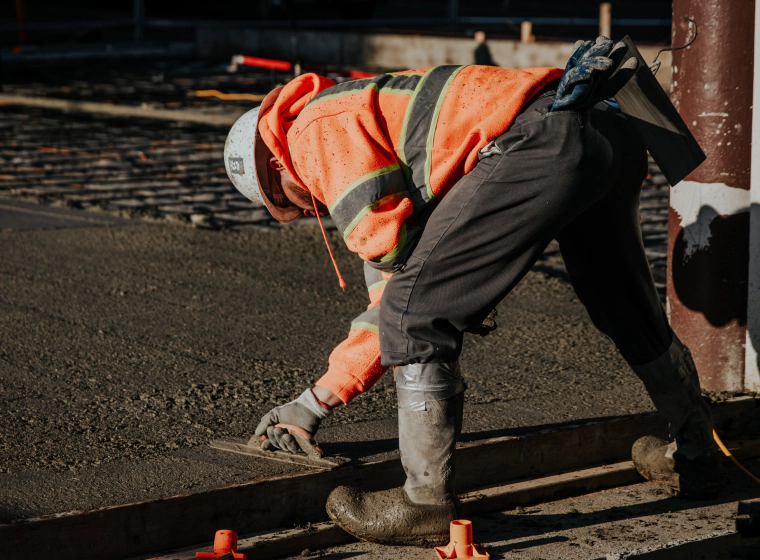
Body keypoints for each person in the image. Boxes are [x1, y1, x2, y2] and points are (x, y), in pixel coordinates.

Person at [223, 37, 721, 547]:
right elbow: (401, 272)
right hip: (604, 129)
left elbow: (399, 297)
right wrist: (317, 401)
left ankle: (424, 502)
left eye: (288, 203)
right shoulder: (363, 111)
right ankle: (696, 452)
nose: (308, 211)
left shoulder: (314, 136)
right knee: (625, 306)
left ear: (275, 166)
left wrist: (313, 403)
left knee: (416, 315)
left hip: (542, 138)